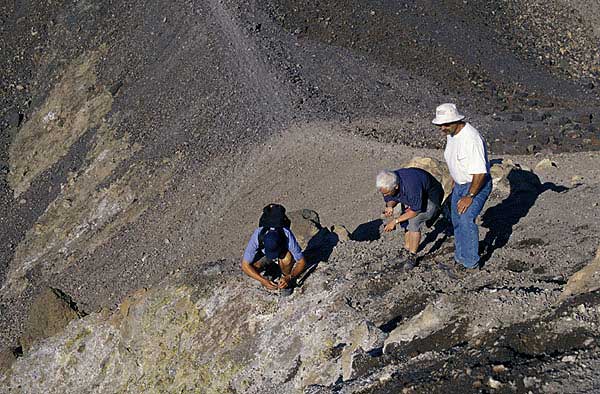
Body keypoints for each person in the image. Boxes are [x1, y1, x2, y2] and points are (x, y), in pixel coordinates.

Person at [432, 103, 492, 270]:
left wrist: (470, 196)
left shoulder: (471, 139)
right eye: (440, 125)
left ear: (457, 121)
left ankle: (470, 263)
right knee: (456, 219)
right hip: (460, 185)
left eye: (446, 124)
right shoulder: (451, 135)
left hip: (475, 185)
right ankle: (460, 258)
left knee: (466, 219)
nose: (442, 128)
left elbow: (480, 172)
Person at [377, 167, 444, 270]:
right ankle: (407, 249)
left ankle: (412, 255)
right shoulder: (389, 180)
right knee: (405, 220)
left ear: (396, 186)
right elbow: (391, 198)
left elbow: (415, 211)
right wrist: (389, 206)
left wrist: (395, 221)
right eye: (383, 193)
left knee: (414, 221)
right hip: (414, 197)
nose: (384, 195)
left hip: (431, 197)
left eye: (386, 192)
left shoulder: (411, 186)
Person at [241, 204, 307, 292]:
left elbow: (301, 262)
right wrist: (263, 280)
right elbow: (245, 265)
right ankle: (271, 268)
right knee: (253, 266)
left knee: (287, 259)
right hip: (264, 254)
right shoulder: (258, 234)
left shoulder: (286, 234)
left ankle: (284, 278)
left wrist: (289, 277)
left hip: (282, 253)